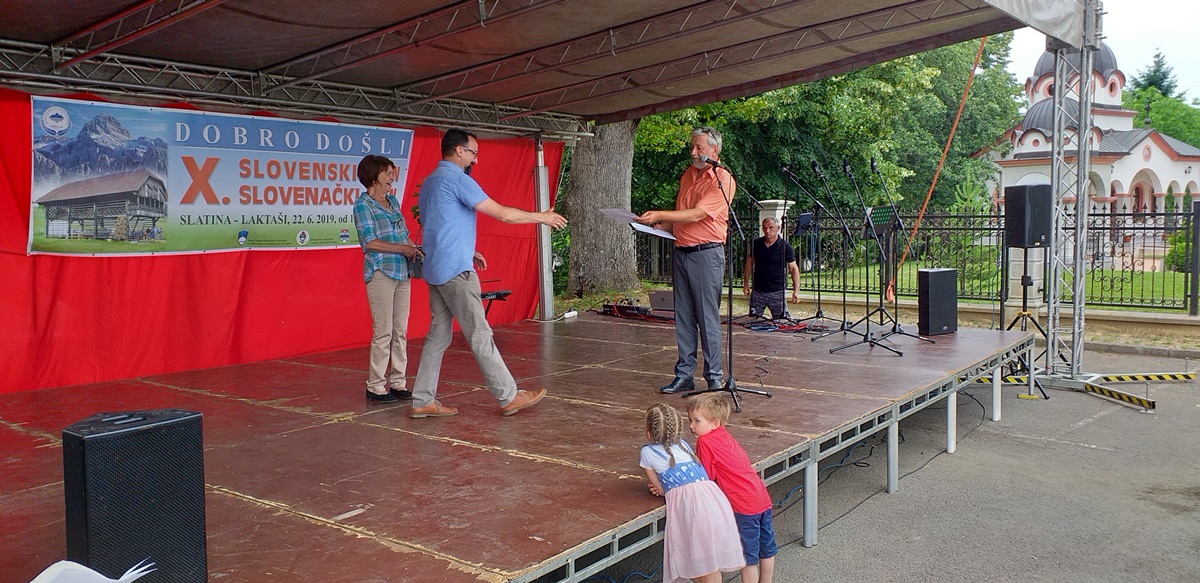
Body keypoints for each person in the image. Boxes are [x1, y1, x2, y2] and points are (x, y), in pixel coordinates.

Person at [409, 128, 567, 419]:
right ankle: (508, 396)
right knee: (479, 334)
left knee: (437, 337)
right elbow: (502, 214)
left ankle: (422, 400)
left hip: (436, 268)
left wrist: (468, 249)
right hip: (456, 271)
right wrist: (540, 217)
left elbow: (439, 225)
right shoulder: (458, 180)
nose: (476, 160)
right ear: (459, 151)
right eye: (473, 153)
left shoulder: (430, 182)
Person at [636, 127, 733, 394]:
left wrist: (660, 214)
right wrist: (662, 226)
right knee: (683, 316)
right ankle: (684, 374)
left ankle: (714, 376)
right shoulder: (688, 175)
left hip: (706, 254)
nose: (693, 152)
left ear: (715, 149)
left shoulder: (722, 178)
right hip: (682, 251)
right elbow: (683, 214)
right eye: (692, 147)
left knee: (707, 317)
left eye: (699, 148)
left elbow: (697, 214)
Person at [640, 403, 745, 583]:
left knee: (696, 562)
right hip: (713, 499)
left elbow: (661, 489)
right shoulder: (683, 445)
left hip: (691, 509)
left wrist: (660, 488)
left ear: (649, 432)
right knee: (708, 562)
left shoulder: (647, 452)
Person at [353, 154, 424, 404]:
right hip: (381, 272)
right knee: (383, 330)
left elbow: (403, 234)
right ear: (374, 176)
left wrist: (414, 249)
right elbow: (369, 242)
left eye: (392, 173)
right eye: (387, 173)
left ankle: (398, 382)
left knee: (400, 330)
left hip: (402, 271)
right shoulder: (363, 205)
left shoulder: (392, 201)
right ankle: (375, 386)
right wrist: (401, 249)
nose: (392, 177)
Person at [687, 394, 778, 583]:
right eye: (690, 420)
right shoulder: (724, 434)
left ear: (715, 422)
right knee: (767, 549)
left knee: (747, 557)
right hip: (761, 498)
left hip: (743, 505)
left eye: (697, 421)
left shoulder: (704, 441)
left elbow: (707, 475)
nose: (691, 426)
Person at [742, 217, 801, 320]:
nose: (767, 231)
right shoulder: (757, 243)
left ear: (778, 228)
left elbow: (793, 268)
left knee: (782, 322)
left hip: (777, 292)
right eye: (765, 228)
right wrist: (746, 283)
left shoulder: (785, 246)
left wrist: (796, 291)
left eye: (771, 227)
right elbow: (749, 262)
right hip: (758, 291)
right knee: (752, 321)